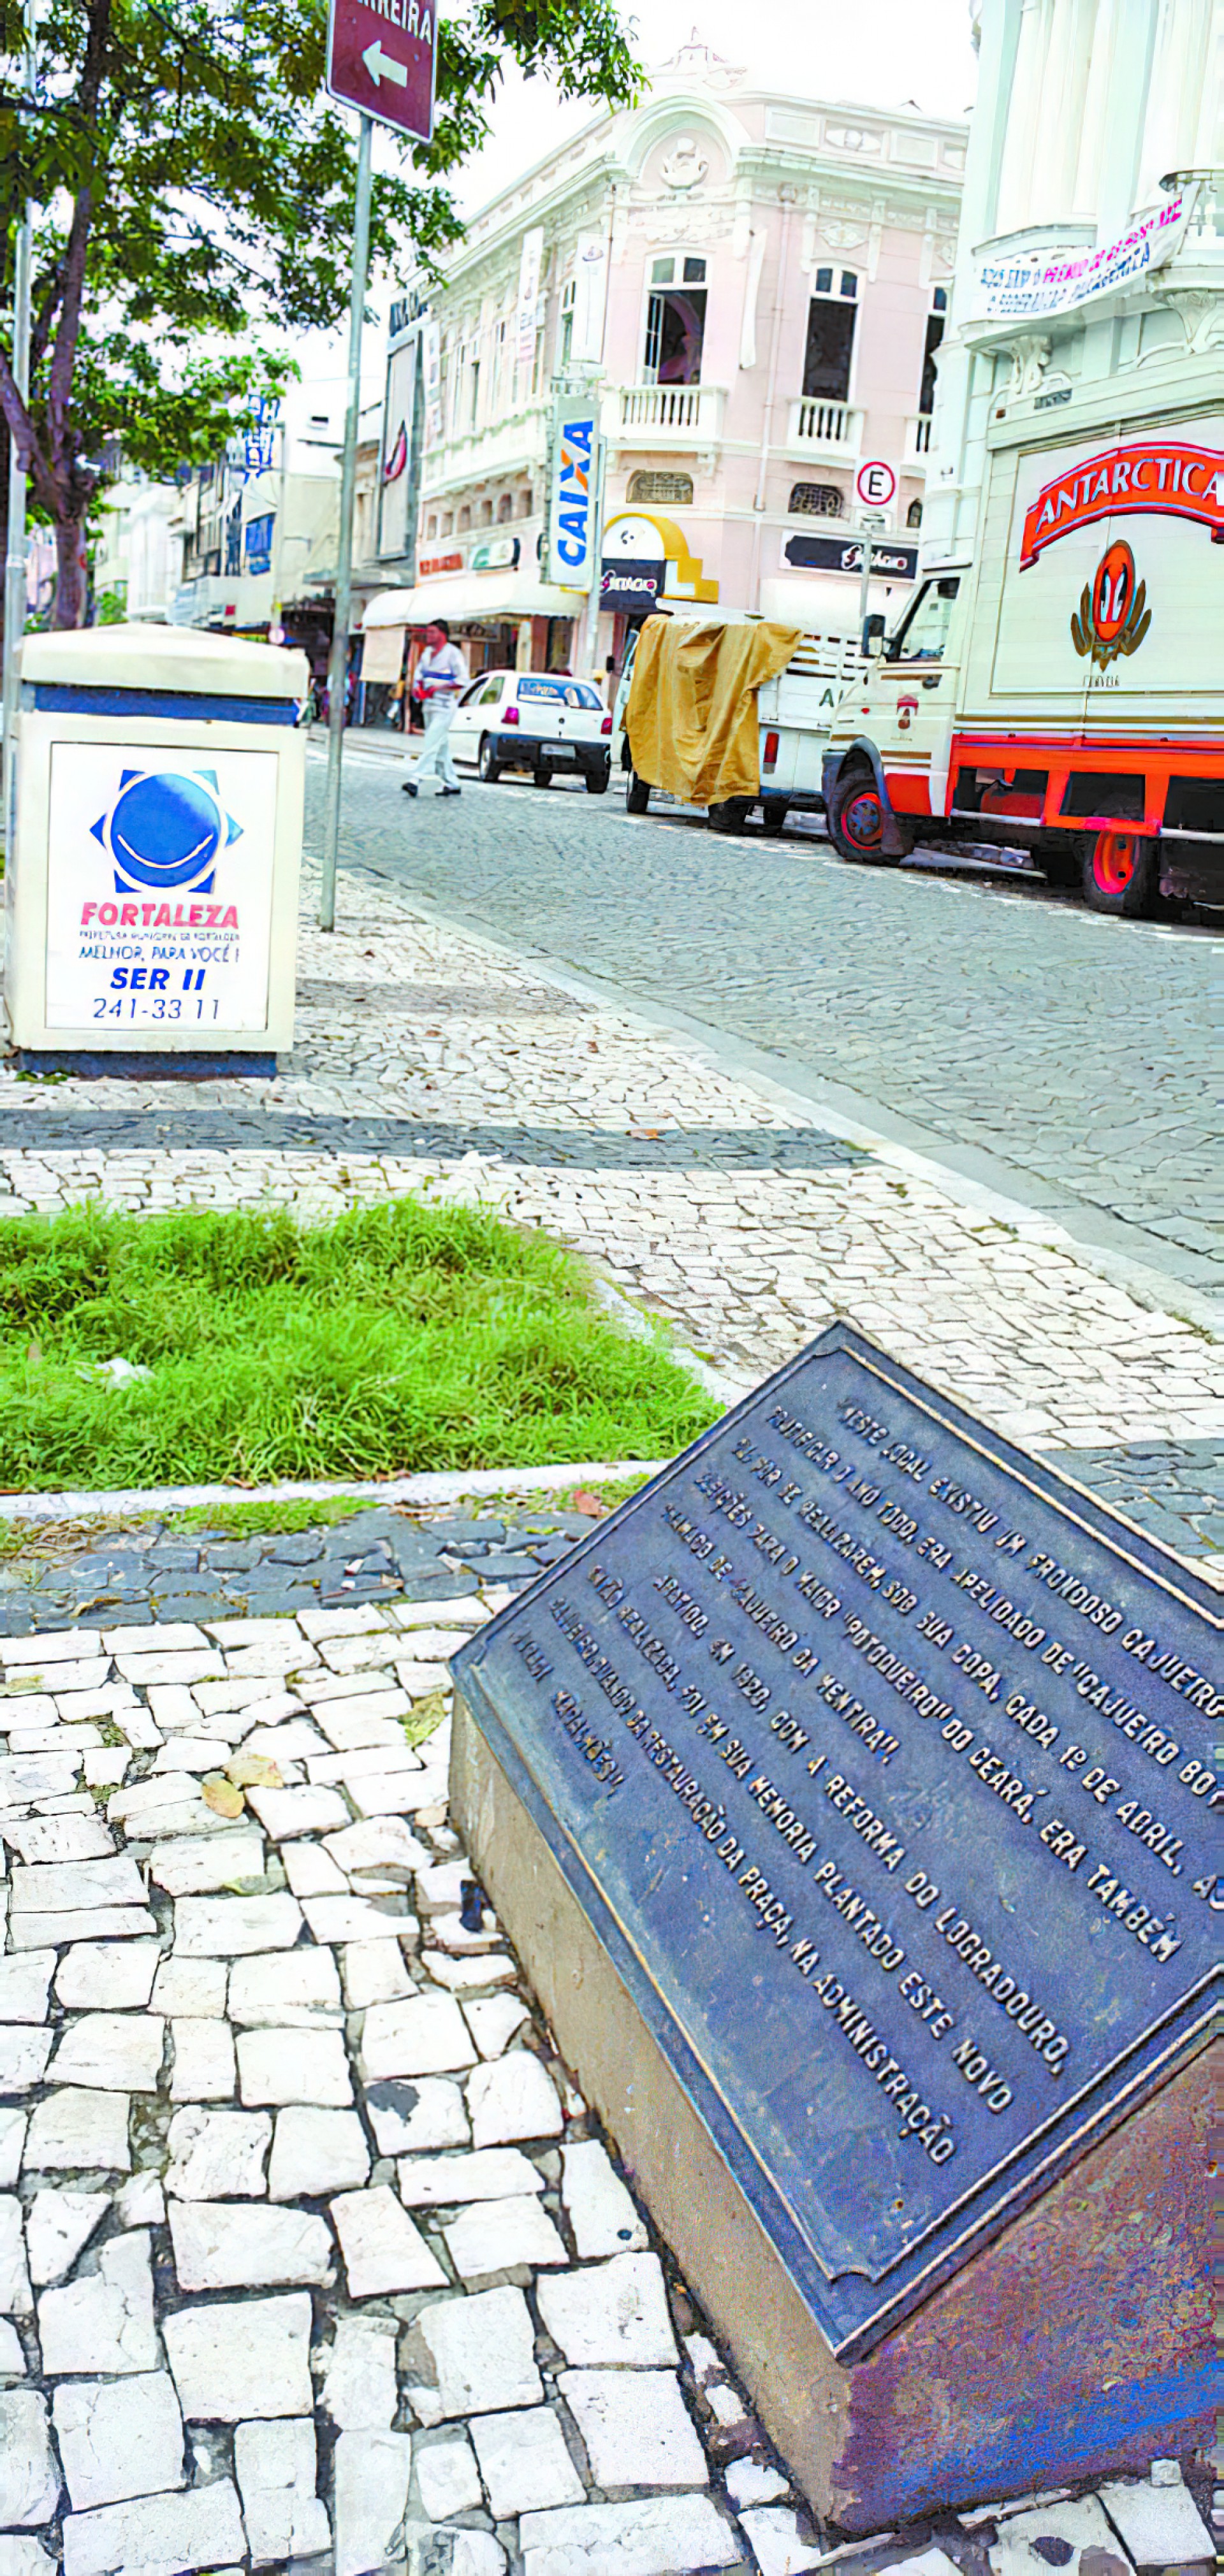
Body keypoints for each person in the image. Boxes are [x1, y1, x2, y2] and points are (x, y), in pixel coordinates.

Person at [402, 619, 467, 797]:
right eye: (428, 632)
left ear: (442, 634)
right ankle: (452, 782)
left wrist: (439, 687)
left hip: (445, 706)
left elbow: (463, 680)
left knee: (431, 741)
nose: (428, 636)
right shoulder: (426, 653)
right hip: (428, 705)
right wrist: (417, 687)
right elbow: (419, 674)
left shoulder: (453, 654)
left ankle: (415, 779)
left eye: (432, 632)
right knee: (440, 745)